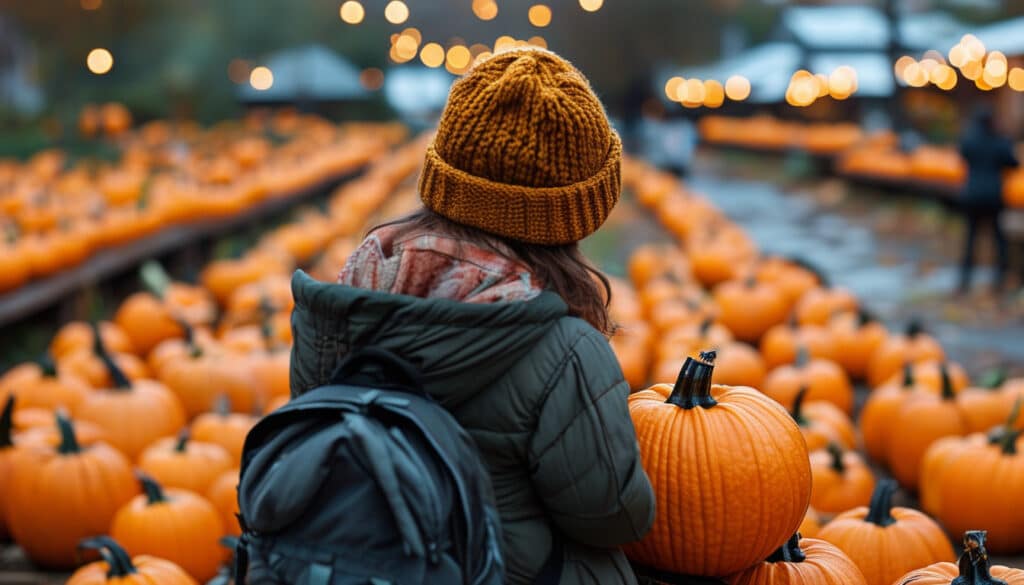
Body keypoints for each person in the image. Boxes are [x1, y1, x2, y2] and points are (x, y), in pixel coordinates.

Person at [289, 48, 656, 584]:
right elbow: (612, 516)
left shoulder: (340, 305)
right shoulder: (566, 350)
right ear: (572, 215)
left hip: (355, 563)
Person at [957, 106, 1019, 294]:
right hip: (993, 195)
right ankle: (999, 277)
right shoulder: (1000, 141)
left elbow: (963, 156)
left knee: (971, 237)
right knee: (998, 239)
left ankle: (965, 278)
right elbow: (1013, 163)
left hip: (972, 194)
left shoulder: (970, 140)